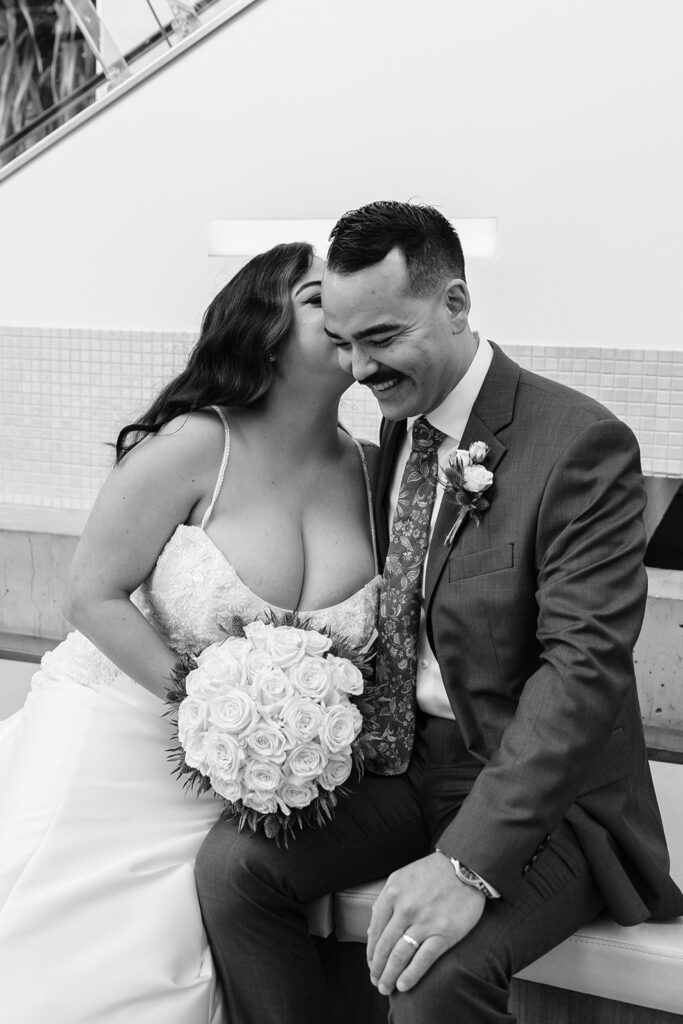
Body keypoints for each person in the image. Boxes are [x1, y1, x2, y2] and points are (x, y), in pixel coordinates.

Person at [195, 202, 683, 1024]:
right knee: (234, 870)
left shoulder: (581, 443)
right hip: (403, 765)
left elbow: (582, 672)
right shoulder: (398, 436)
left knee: (432, 979)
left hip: (546, 796)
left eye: (382, 338)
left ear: (455, 305)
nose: (357, 370)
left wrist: (464, 867)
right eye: (344, 343)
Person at [0, 241, 382, 1024]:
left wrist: (280, 743)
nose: (342, 314)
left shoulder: (375, 472)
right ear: (264, 325)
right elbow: (91, 595)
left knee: (174, 977)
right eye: (316, 298)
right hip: (112, 748)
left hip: (238, 791)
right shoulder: (195, 445)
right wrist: (209, 706)